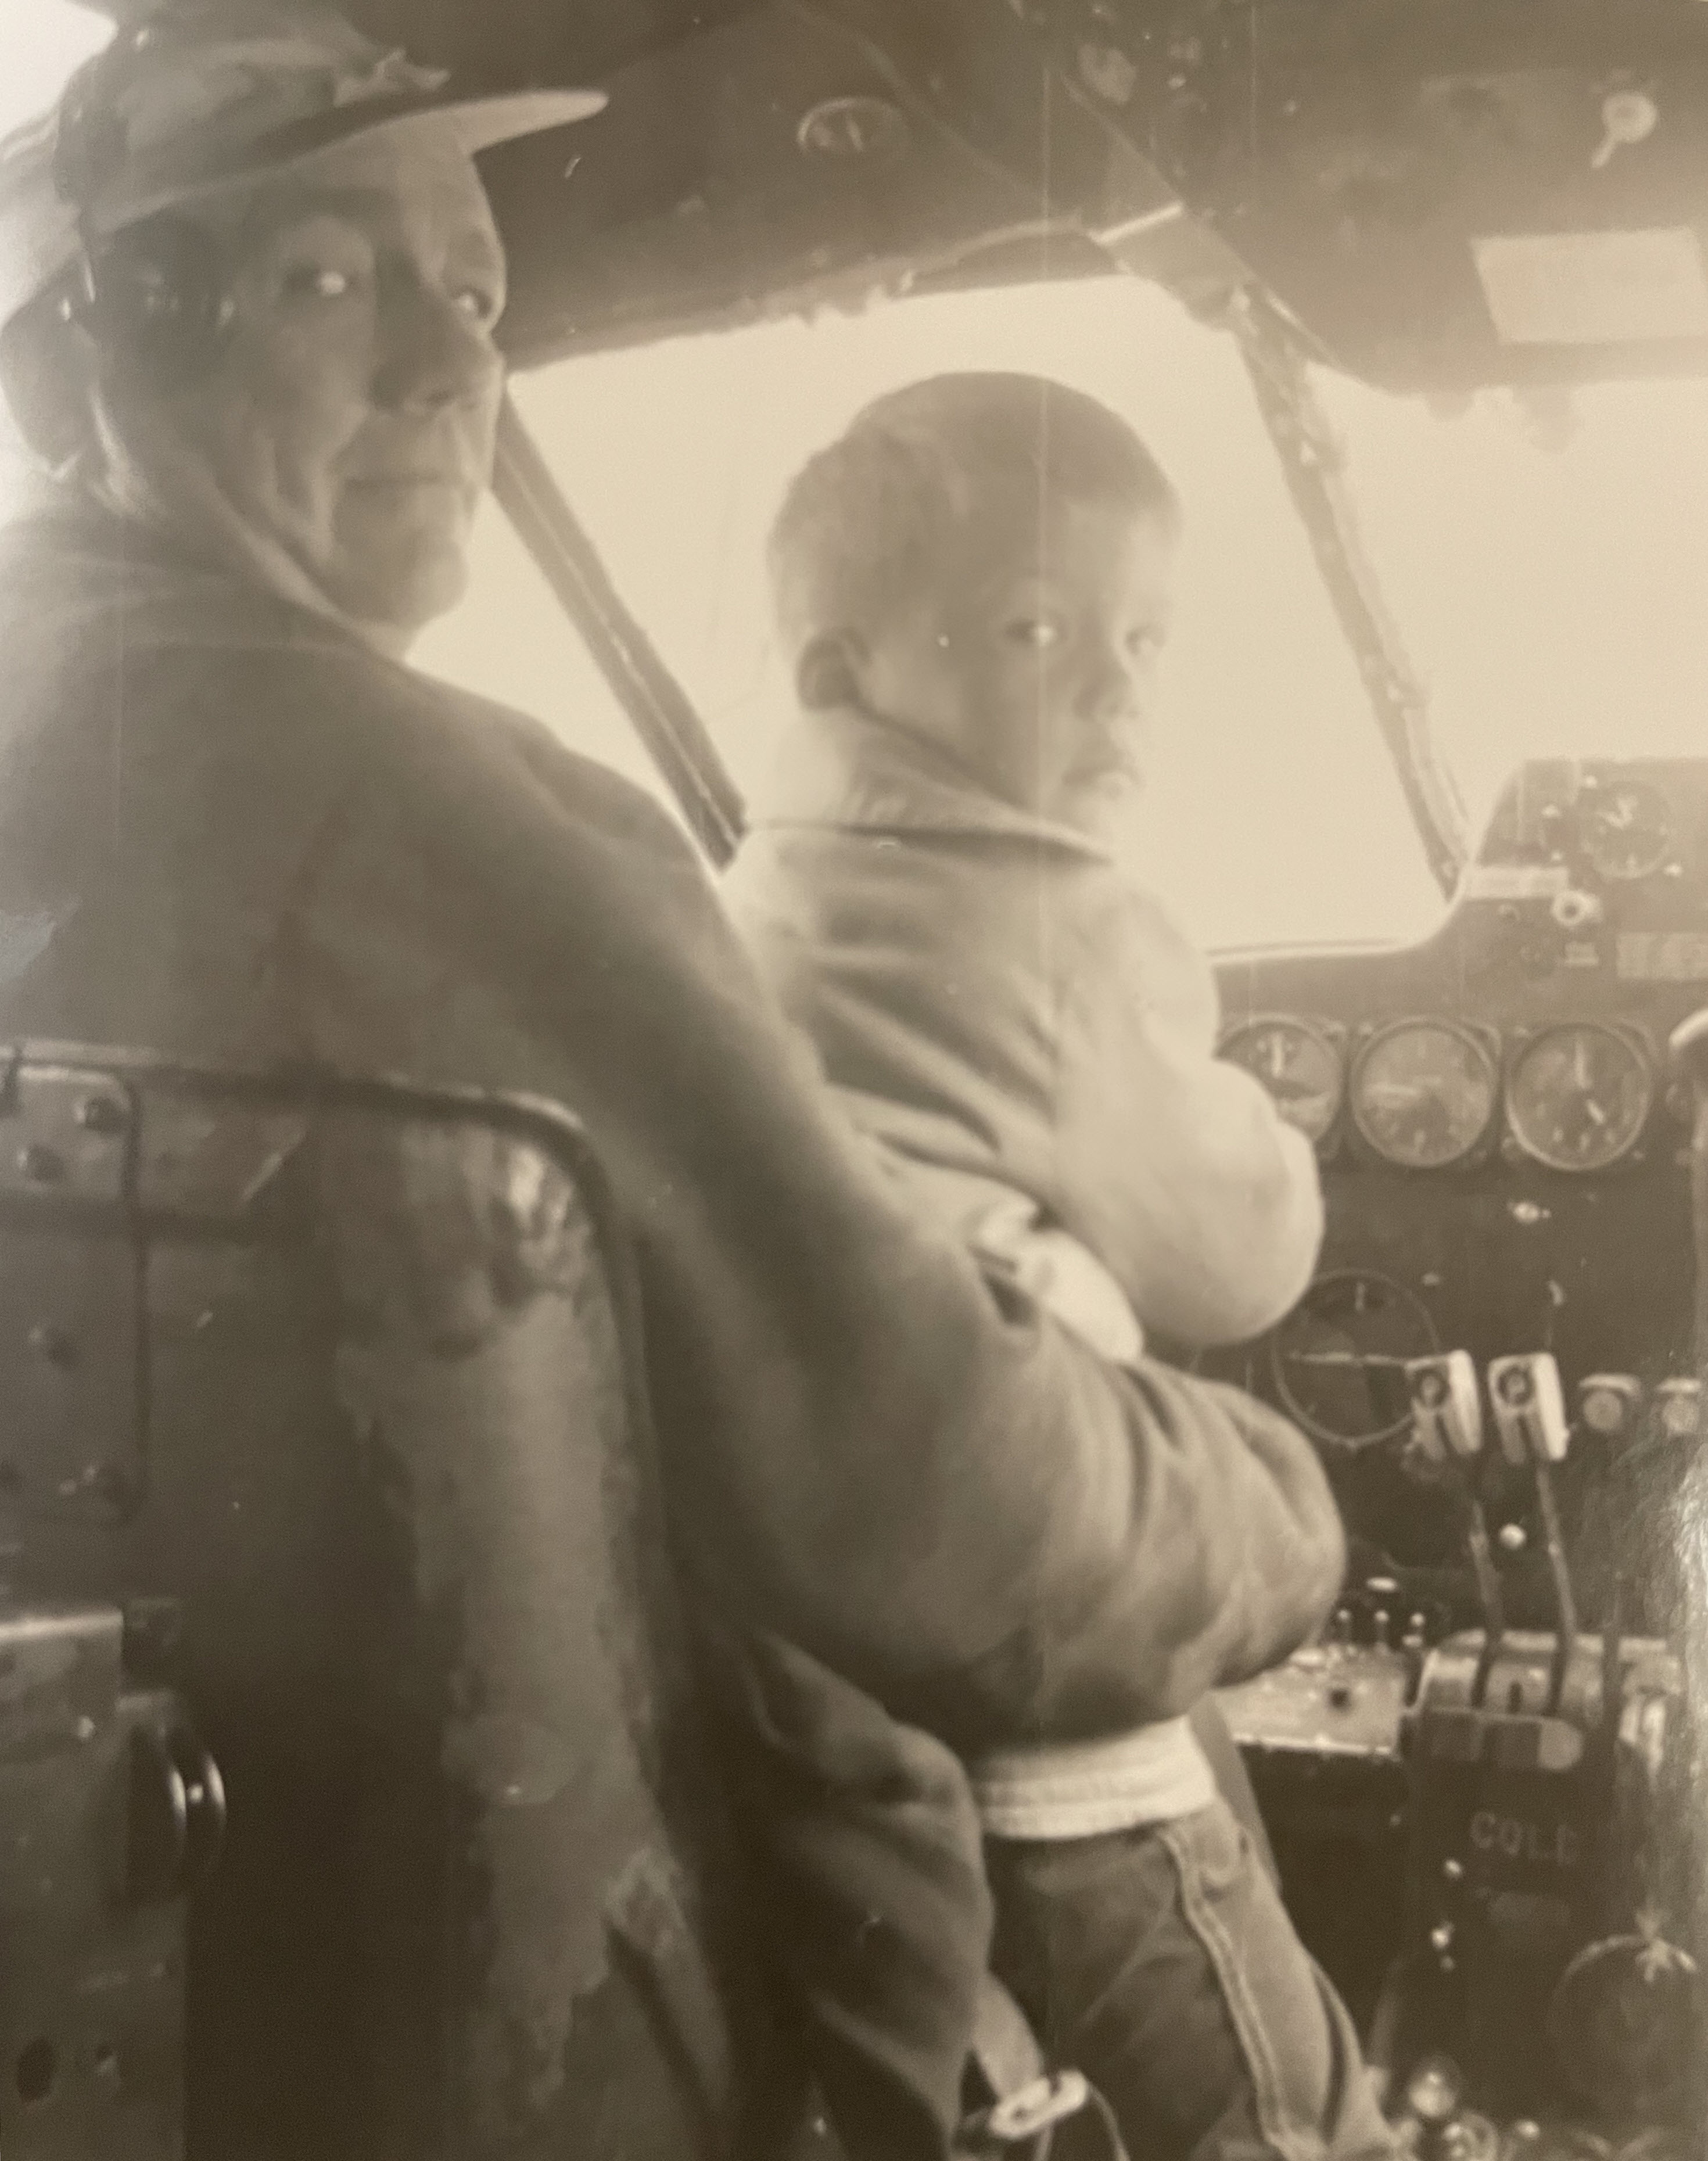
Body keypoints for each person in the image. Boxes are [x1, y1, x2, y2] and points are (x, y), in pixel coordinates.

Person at [0, 13, 1348, 2154]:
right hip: (617, 2043)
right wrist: (1273, 1505)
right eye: (328, 282)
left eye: (472, 289)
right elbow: (939, 1509)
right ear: (72, 363)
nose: (454, 371)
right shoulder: (445, 829)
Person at [724, 373, 1391, 2161]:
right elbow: (1236, 1253)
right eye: (1036, 629)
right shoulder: (1058, 926)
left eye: (1145, 638)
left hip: (862, 1740)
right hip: (1069, 1753)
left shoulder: (743, 904)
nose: (1113, 683)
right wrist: (1272, 1137)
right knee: (1263, 2105)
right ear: (838, 672)